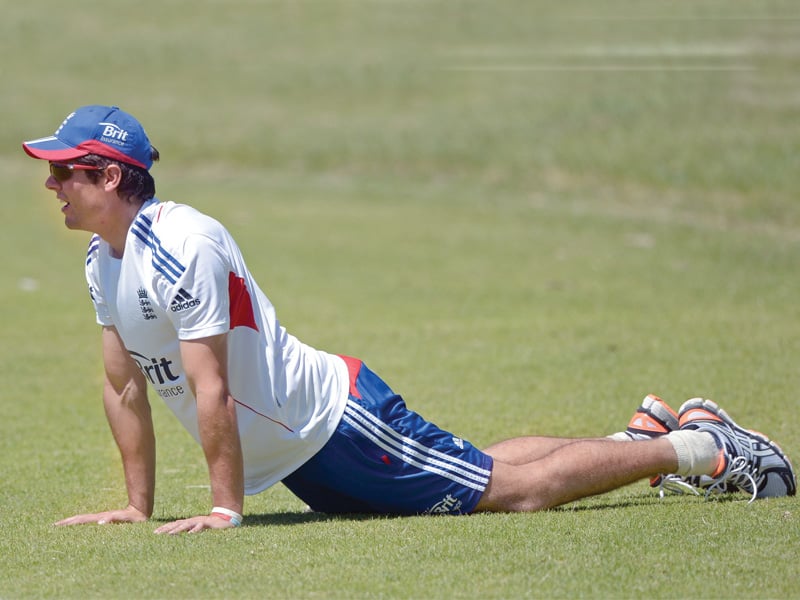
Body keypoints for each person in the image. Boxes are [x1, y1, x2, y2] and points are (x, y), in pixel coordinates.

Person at [23, 105, 796, 535]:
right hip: (301, 459)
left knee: (510, 492)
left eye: (65, 171)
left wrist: (225, 510)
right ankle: (642, 438)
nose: (52, 184)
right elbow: (124, 389)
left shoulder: (181, 241)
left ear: (112, 174)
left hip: (335, 425)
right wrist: (137, 505)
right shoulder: (105, 260)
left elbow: (211, 386)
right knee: (477, 467)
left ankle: (702, 448)